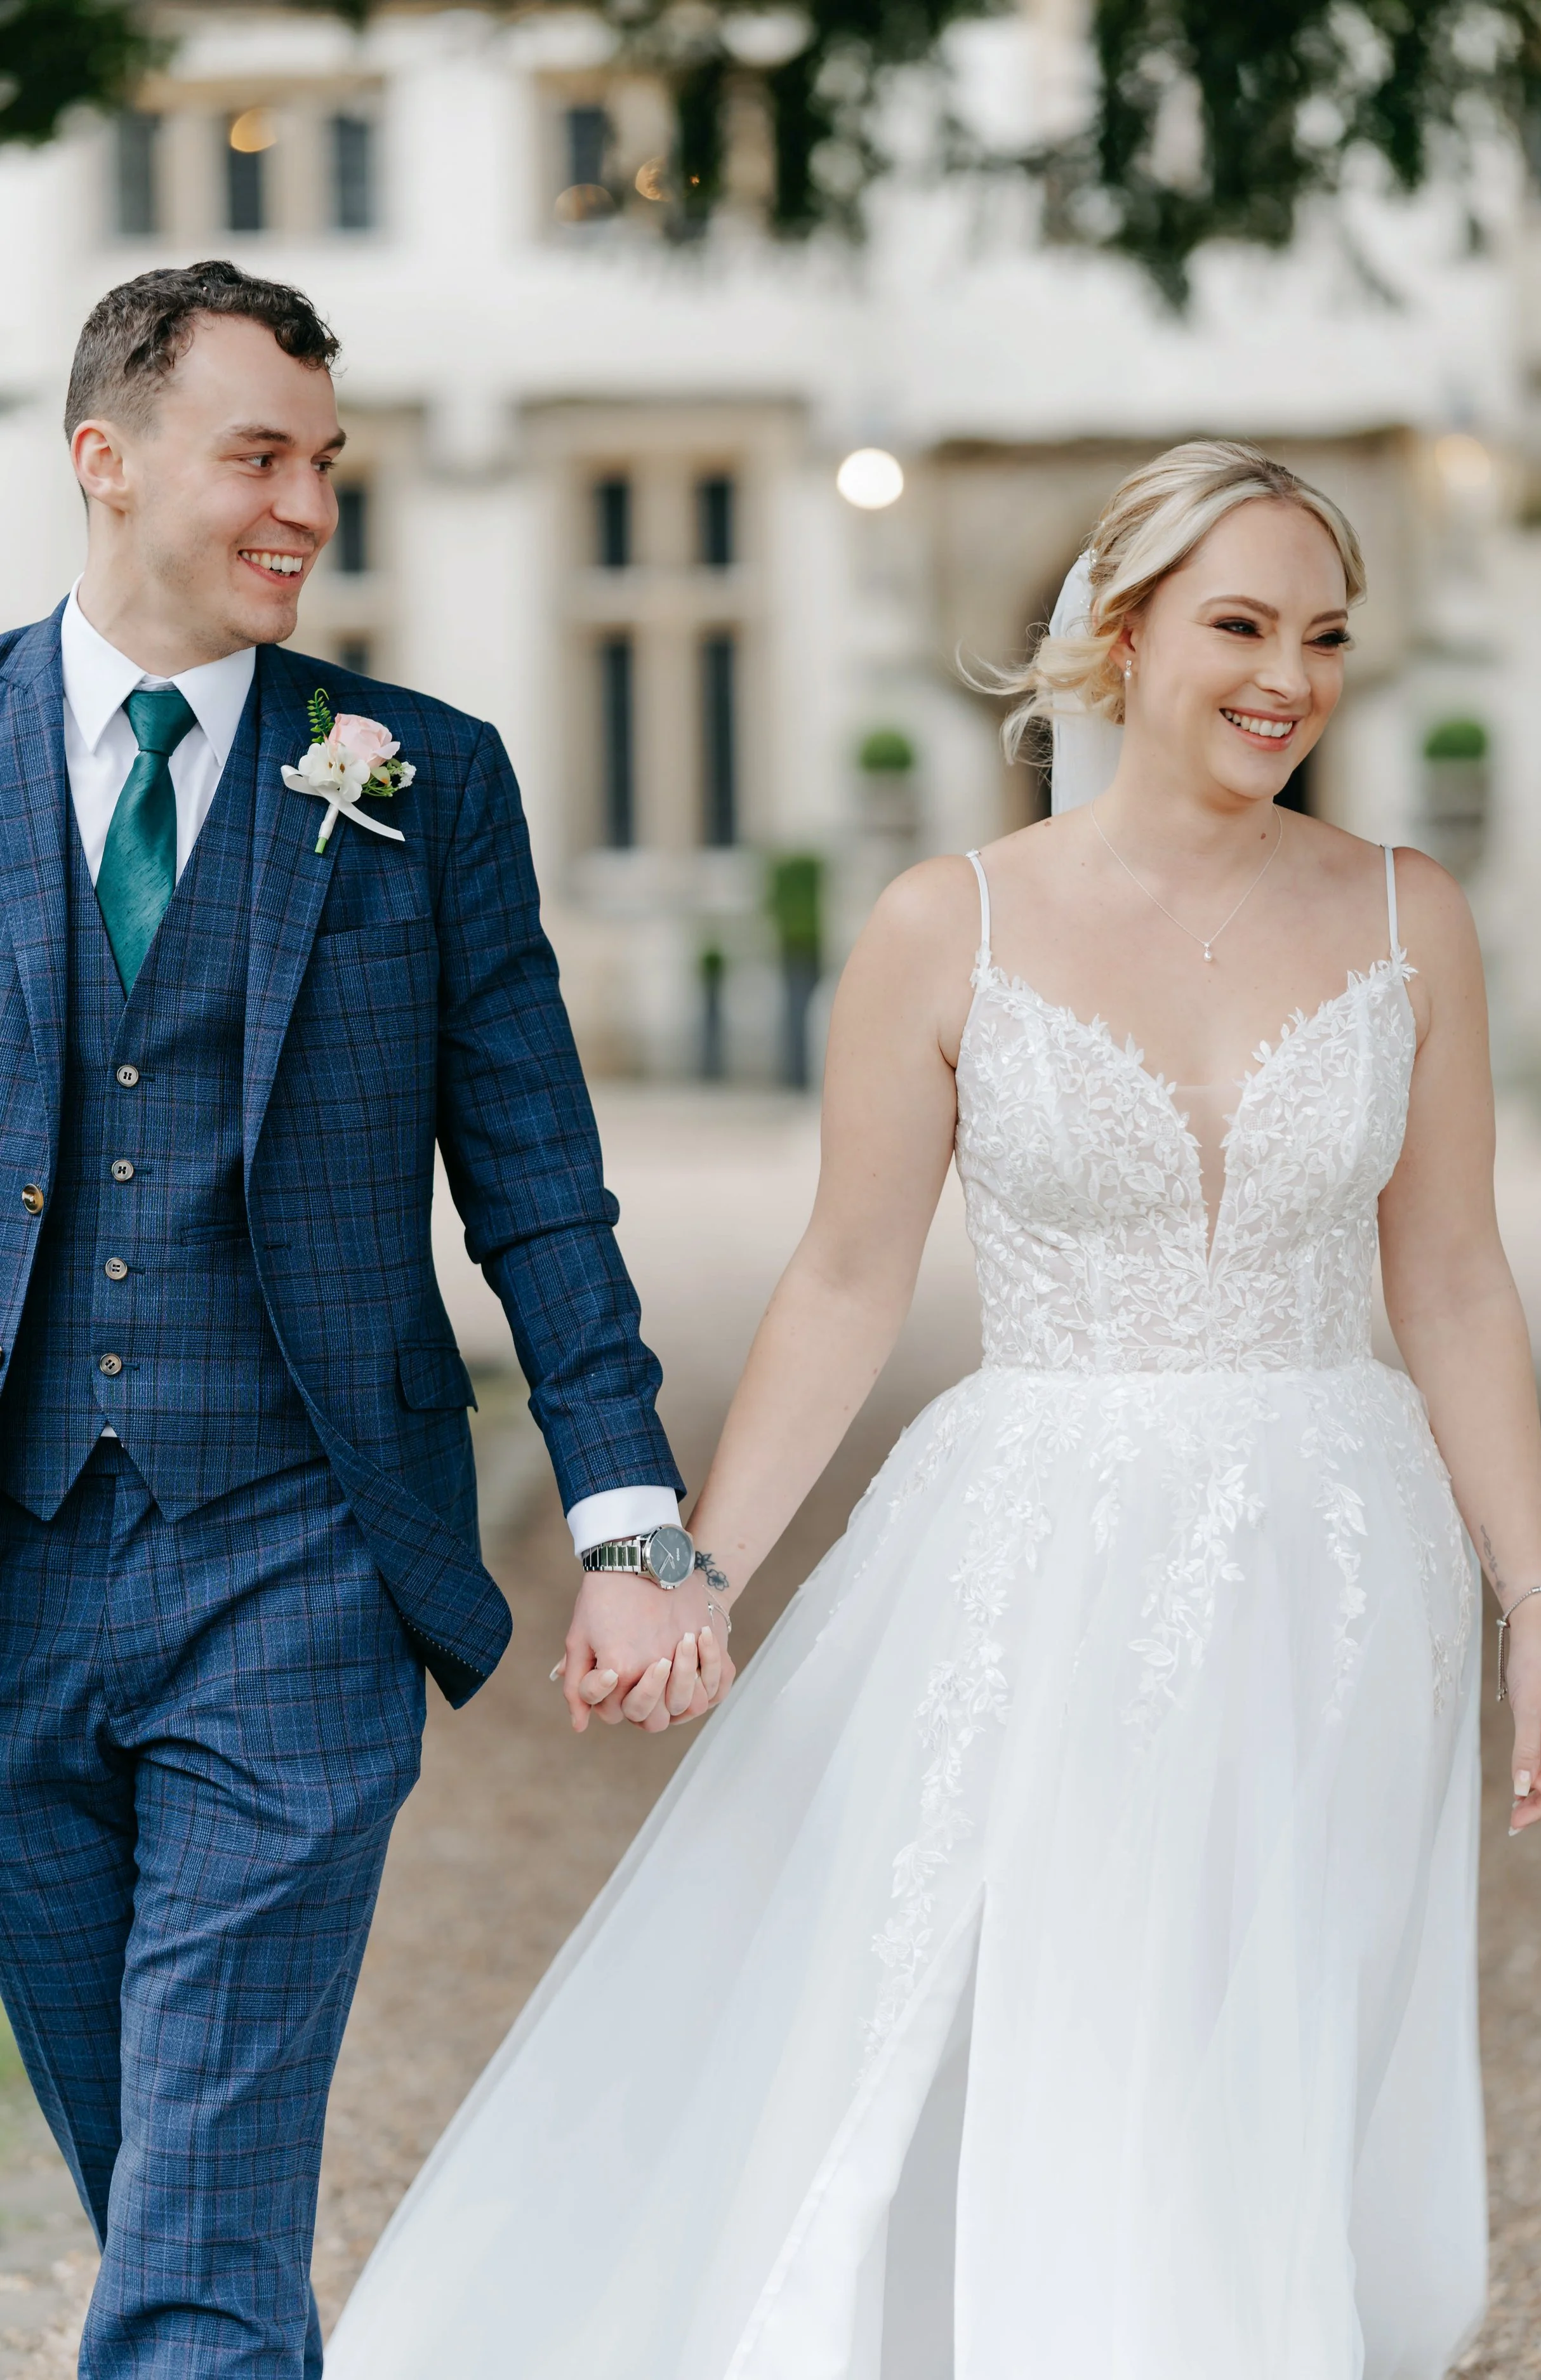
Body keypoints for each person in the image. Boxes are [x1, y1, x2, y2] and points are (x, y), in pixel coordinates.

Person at [327, 441, 1541, 2379]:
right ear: (1119, 630)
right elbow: (843, 1277)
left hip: (1341, 1556)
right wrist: (693, 1566)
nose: (1289, 677)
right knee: (1053, 1988)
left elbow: (1453, 1278)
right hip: (1040, 1541)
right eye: (1238, 624)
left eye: (1324, 633)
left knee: (1266, 2002)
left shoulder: (1410, 914)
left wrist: (1533, 1598)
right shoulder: (951, 923)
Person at [0, 260, 719, 2379]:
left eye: (328, 462)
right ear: (105, 461)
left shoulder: (424, 783)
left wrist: (626, 1518)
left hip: (301, 1560)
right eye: (260, 458)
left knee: (200, 2198)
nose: (310, 505)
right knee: (163, 2180)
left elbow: (536, 1179)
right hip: (17, 1568)